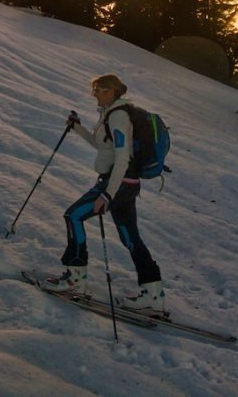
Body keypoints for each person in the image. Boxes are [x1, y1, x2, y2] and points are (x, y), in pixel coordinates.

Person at [46, 73, 166, 312]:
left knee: (74, 216)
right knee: (130, 238)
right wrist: (77, 127)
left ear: (111, 91)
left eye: (98, 90)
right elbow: (103, 146)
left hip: (117, 184)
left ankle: (75, 279)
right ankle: (154, 294)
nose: (94, 95)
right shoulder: (112, 115)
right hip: (126, 184)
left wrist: (108, 194)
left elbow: (122, 157)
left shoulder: (119, 116)